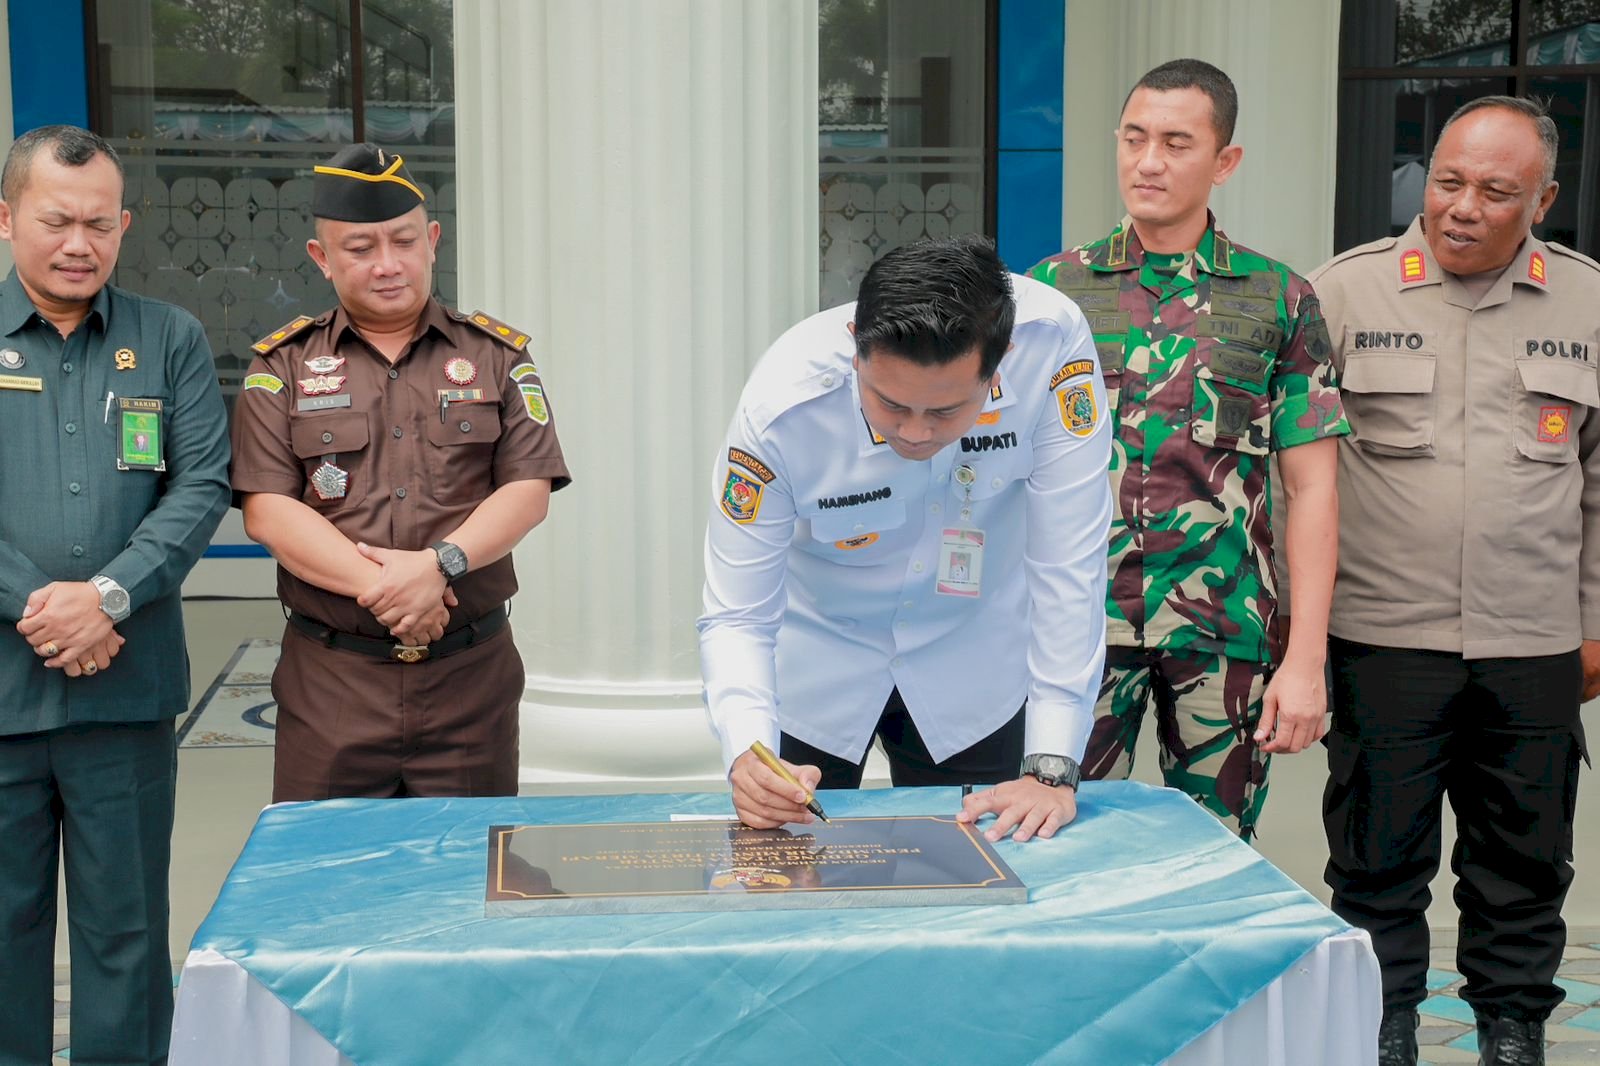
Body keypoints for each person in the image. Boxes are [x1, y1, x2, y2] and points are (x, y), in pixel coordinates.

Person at [1311, 96, 1594, 1066]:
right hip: (1383, 636)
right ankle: (1381, 1029)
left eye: (1495, 191)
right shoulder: (1343, 294)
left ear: (1543, 201)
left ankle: (1512, 1031)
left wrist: (1596, 621)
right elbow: (1297, 476)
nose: (1463, 207)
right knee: (1375, 857)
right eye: (1447, 181)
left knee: (1524, 860)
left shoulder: (1589, 302)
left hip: (1533, 640)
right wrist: (1301, 633)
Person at [698, 234, 1112, 842]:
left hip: (973, 662)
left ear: (1002, 361)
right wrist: (748, 753)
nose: (915, 433)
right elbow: (737, 614)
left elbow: (1068, 565)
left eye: (945, 411)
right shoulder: (783, 408)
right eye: (889, 404)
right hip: (818, 662)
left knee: (991, 867)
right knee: (790, 869)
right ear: (854, 348)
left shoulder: (1052, 347)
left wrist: (1051, 766)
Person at [1026, 58, 1347, 840]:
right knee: (1054, 843)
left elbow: (1313, 489)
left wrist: (1306, 659)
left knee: (1216, 854)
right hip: (1075, 634)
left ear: (1224, 161)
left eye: (1176, 143)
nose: (1149, 161)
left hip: (1223, 630)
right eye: (1134, 138)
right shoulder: (1052, 294)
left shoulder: (1279, 298)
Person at [231, 143, 570, 801]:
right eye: (360, 248)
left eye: (404, 241)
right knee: (328, 860)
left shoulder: (496, 358)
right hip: (333, 681)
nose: (387, 264)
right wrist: (396, 589)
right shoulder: (282, 366)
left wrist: (438, 566)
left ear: (433, 241)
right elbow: (268, 510)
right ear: (322, 258)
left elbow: (528, 490)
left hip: (469, 679)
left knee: (464, 861)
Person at [0, 126, 230, 1065]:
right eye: (57, 221)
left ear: (124, 225)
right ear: (6, 218)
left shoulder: (168, 337)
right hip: (3, 693)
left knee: (126, 935)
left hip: (126, 694)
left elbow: (202, 485)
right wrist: (46, 608)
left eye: (99, 224)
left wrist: (107, 596)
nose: (78, 244)